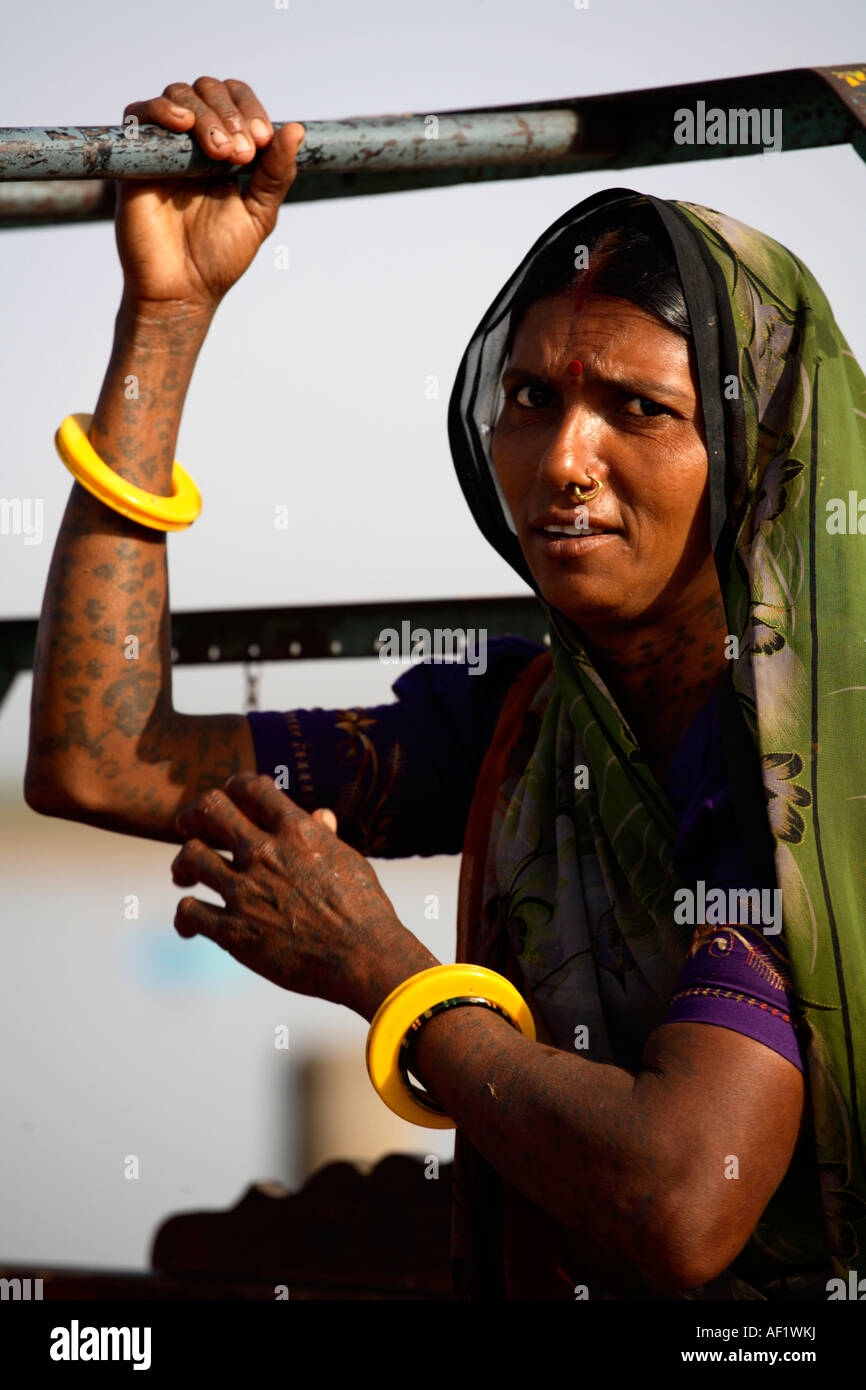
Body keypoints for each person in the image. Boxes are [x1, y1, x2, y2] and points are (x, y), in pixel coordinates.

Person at [24, 76, 866, 1301]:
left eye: (635, 408)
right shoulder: (518, 726)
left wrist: (384, 973)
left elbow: (682, 1197)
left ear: (757, 456)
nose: (565, 460)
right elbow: (98, 757)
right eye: (532, 398)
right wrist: (167, 311)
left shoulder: (813, 776)